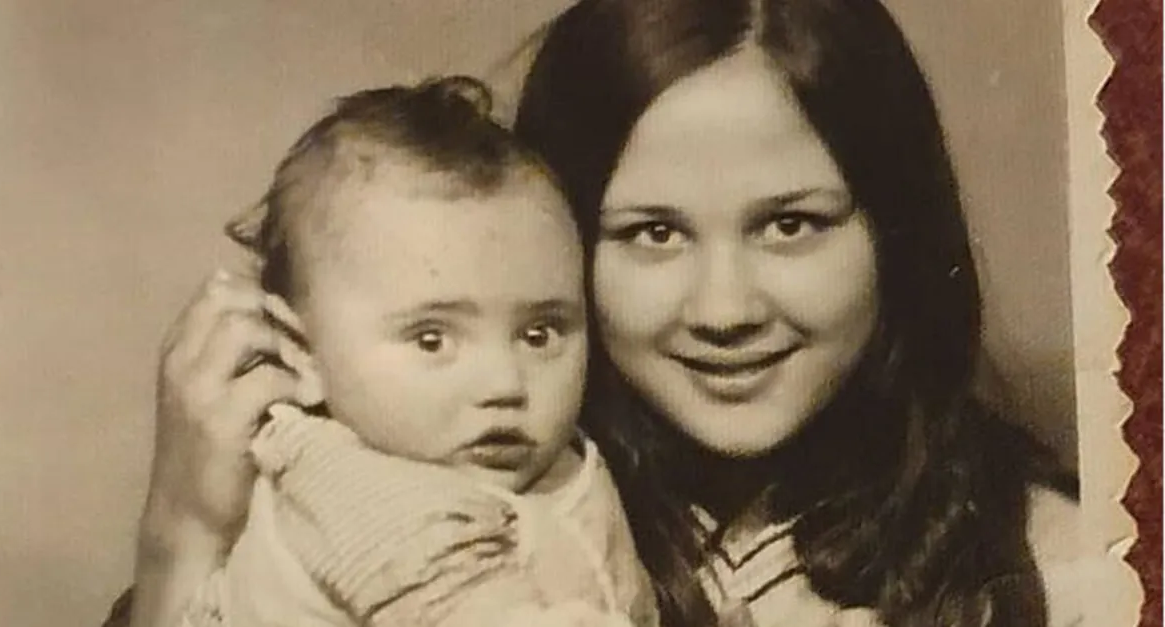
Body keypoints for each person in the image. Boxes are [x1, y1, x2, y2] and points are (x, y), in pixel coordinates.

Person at [510, 0, 1081, 626]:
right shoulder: (468, 551)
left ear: (895, 234)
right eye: (655, 233)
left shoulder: (1067, 572)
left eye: (789, 225)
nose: (724, 311)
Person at [122, 76, 656, 627]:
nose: (505, 383)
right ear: (301, 351)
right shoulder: (352, 490)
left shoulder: (553, 462)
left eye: (539, 334)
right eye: (432, 339)